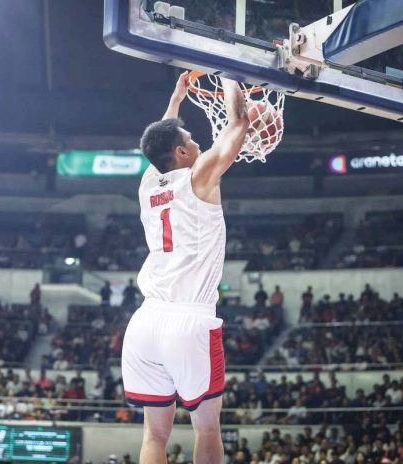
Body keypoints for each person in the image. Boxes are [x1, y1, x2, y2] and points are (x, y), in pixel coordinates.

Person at [122, 70, 249, 464]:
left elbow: (157, 144)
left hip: (145, 322)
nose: (196, 143)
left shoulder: (148, 185)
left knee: (154, 436)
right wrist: (231, 73)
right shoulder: (199, 177)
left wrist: (176, 101)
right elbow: (238, 124)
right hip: (188, 322)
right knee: (208, 428)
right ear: (180, 154)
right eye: (190, 140)